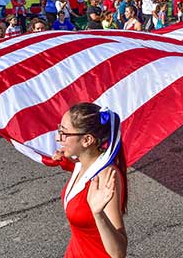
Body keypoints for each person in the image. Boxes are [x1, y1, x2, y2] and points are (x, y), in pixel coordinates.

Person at [51, 103, 128, 258]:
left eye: (64, 133)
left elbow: (118, 253)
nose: (58, 138)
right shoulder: (82, 163)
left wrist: (98, 214)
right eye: (59, 130)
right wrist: (66, 162)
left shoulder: (106, 178)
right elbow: (83, 178)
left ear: (87, 140)